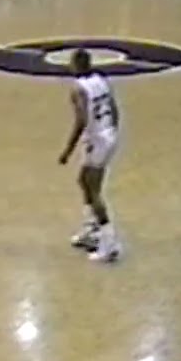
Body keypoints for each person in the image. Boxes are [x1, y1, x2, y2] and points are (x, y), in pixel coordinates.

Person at [58, 48, 122, 263]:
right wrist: (111, 132)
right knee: (84, 182)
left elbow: (82, 120)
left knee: (92, 189)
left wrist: (68, 150)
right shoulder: (101, 80)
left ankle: (109, 241)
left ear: (76, 65)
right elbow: (114, 109)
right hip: (108, 134)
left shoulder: (78, 89)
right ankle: (91, 229)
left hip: (98, 140)